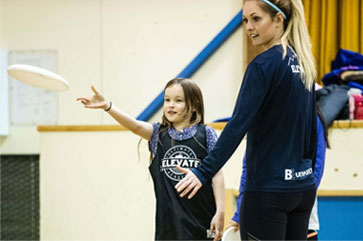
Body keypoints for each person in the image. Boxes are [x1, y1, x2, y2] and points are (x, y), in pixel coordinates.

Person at [175, 0, 318, 240]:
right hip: (302, 188)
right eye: (245, 20)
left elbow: (237, 125)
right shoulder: (304, 64)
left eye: (256, 19)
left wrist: (203, 171)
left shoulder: (262, 65)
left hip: (268, 191)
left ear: (278, 19)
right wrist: (306, 173)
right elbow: (311, 131)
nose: (249, 27)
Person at [76, 78, 225, 241]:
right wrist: (108, 107)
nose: (170, 105)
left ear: (195, 105)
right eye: (167, 100)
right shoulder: (157, 134)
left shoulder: (206, 134)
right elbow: (135, 126)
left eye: (178, 100)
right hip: (169, 226)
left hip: (203, 220)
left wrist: (221, 212)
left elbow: (217, 175)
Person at [228, 106, 330, 240]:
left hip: (303, 216)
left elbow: (317, 166)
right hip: (265, 210)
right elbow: (249, 168)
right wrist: (239, 212)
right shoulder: (263, 114)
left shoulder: (311, 117)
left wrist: (301, 194)